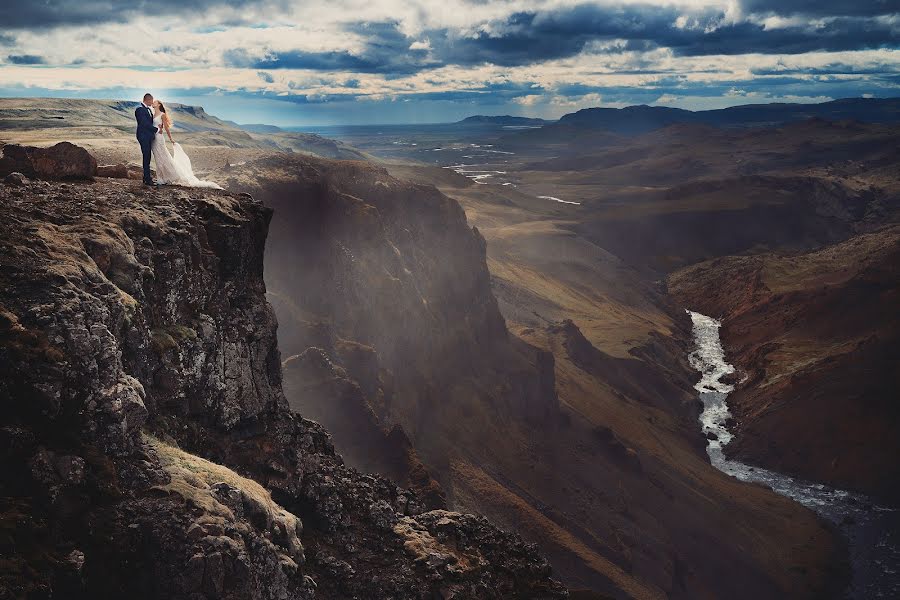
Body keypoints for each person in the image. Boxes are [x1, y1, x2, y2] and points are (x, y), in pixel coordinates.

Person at [150, 100, 222, 189]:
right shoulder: (153, 114)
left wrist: (171, 139)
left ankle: (165, 178)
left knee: (163, 157)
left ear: (159, 104)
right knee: (157, 158)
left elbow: (166, 128)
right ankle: (162, 177)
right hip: (153, 139)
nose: (153, 103)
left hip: (159, 138)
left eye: (155, 102)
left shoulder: (162, 115)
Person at [135, 93, 160, 186]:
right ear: (147, 100)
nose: (152, 102)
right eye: (151, 100)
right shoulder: (140, 109)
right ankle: (147, 179)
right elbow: (144, 123)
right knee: (146, 157)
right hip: (143, 136)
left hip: (148, 136)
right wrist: (156, 129)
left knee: (147, 157)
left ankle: (146, 178)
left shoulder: (148, 109)